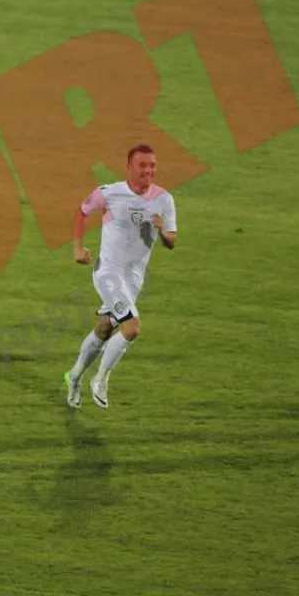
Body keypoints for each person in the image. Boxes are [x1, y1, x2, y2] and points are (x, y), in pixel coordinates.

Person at [64, 143, 178, 409]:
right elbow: (82, 212)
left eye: (152, 165)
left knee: (104, 328)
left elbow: (172, 241)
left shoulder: (164, 199)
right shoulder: (110, 193)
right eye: (142, 165)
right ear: (128, 168)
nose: (148, 170)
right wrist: (78, 248)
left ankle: (74, 377)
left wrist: (162, 230)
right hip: (107, 273)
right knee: (131, 328)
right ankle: (101, 379)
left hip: (133, 280)